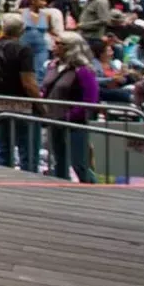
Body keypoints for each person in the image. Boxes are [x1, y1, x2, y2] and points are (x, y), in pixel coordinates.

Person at [0, 13, 44, 173]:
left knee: (2, 147)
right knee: (28, 149)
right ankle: (29, 181)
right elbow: (29, 83)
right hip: (23, 104)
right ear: (22, 31)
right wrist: (41, 106)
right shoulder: (23, 50)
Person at [42, 32, 100, 182]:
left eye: (58, 43)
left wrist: (70, 116)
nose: (54, 46)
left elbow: (90, 100)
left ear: (68, 47)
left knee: (79, 164)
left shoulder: (84, 71)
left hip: (75, 124)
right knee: (59, 161)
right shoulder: (53, 66)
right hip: (55, 121)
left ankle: (96, 191)